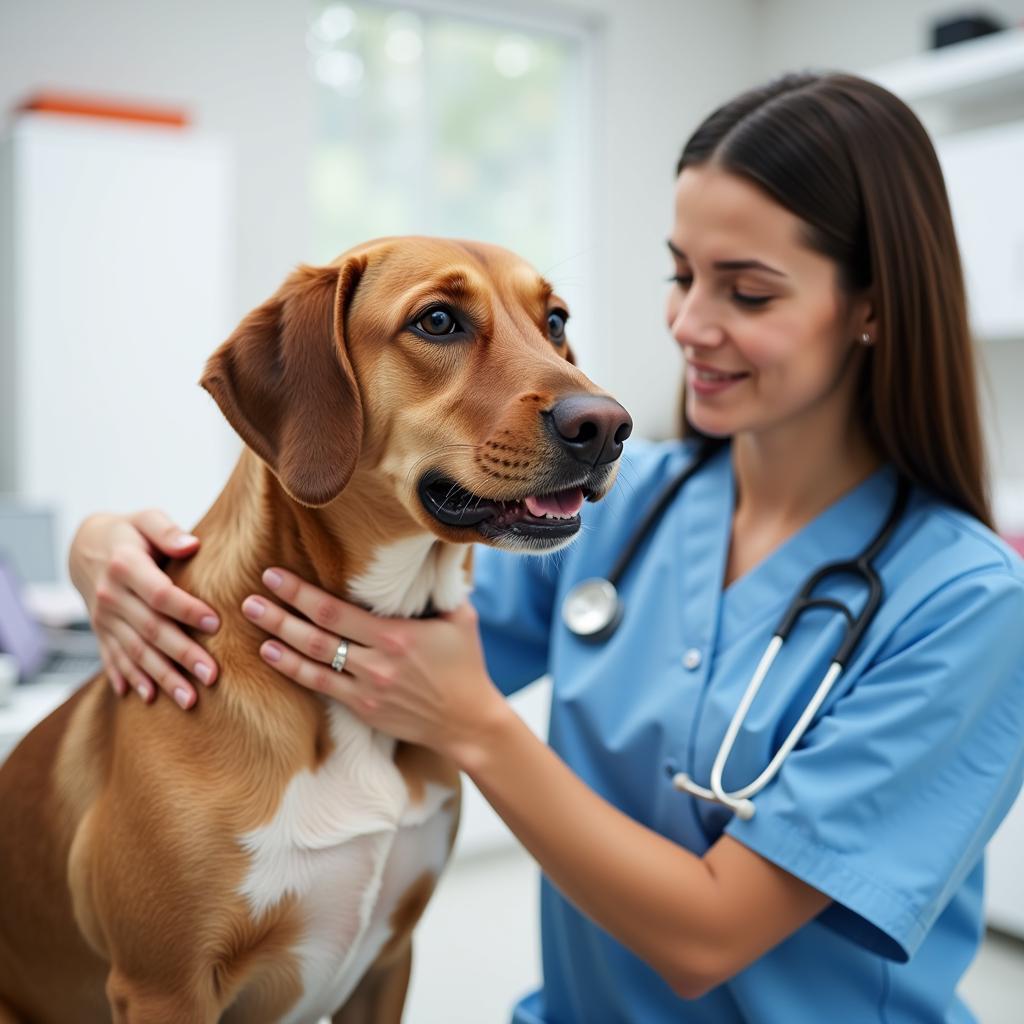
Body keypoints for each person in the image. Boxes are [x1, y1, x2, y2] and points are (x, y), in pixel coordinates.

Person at [69, 72, 1024, 1022]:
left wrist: (477, 727)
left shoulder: (968, 602)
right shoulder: (618, 507)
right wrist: (102, 546)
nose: (689, 325)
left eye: (747, 291)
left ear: (872, 307)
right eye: (682, 275)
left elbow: (709, 937)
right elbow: (355, 605)